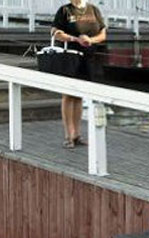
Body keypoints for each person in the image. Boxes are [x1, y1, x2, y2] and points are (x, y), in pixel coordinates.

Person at [51, 0, 107, 149]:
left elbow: (102, 34)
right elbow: (55, 33)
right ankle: (68, 135)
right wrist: (74, 39)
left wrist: (90, 40)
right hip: (70, 57)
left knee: (79, 95)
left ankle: (76, 134)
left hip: (88, 58)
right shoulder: (64, 10)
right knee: (68, 95)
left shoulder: (93, 10)